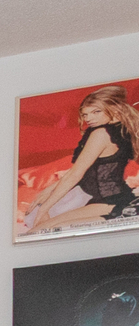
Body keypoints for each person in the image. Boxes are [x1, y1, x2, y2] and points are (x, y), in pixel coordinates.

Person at [19, 85, 139, 236]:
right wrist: (48, 191)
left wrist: (44, 208)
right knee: (39, 225)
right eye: (85, 114)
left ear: (114, 109)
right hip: (110, 197)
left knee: (39, 230)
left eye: (96, 112)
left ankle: (122, 215)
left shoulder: (101, 133)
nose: (88, 119)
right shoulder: (121, 128)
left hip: (108, 200)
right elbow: (87, 169)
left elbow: (76, 174)